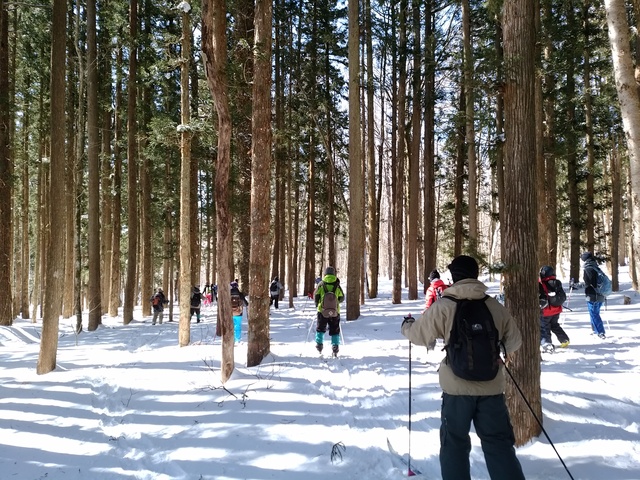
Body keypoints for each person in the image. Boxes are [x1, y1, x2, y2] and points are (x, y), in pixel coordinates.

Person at [401, 255, 525, 480]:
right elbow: (515, 340)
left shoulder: (445, 305)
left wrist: (407, 326)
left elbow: (419, 335)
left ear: (454, 276)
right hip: (492, 387)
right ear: (475, 275)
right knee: (499, 444)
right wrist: (499, 349)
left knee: (454, 445)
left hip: (457, 389)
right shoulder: (493, 305)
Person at [314, 266, 345, 355]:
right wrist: (336, 302)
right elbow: (342, 298)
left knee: (320, 328)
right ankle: (335, 347)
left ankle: (319, 345)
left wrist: (317, 305)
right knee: (335, 329)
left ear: (325, 274)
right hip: (335, 311)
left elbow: (316, 297)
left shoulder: (321, 284)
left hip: (322, 311)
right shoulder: (337, 285)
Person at [538, 266, 570, 352]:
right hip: (557, 310)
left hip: (546, 311)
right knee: (555, 325)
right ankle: (564, 339)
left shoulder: (541, 283)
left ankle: (547, 344)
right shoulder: (557, 282)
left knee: (544, 328)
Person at [581, 251, 606, 339]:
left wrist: (580, 285)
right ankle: (595, 330)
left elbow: (590, 283)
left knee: (594, 313)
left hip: (592, 294)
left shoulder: (589, 268)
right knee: (594, 313)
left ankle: (600, 332)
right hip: (600, 294)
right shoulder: (595, 266)